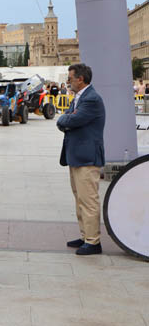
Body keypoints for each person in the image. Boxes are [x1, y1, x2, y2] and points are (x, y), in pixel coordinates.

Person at [57, 63, 105, 256]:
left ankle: (93, 242)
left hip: (87, 157)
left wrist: (66, 120)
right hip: (76, 156)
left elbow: (70, 120)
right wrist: (66, 119)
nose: (68, 81)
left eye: (70, 78)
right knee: (80, 199)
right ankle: (85, 236)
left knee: (88, 200)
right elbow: (67, 118)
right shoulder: (80, 98)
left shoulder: (91, 99)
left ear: (80, 79)